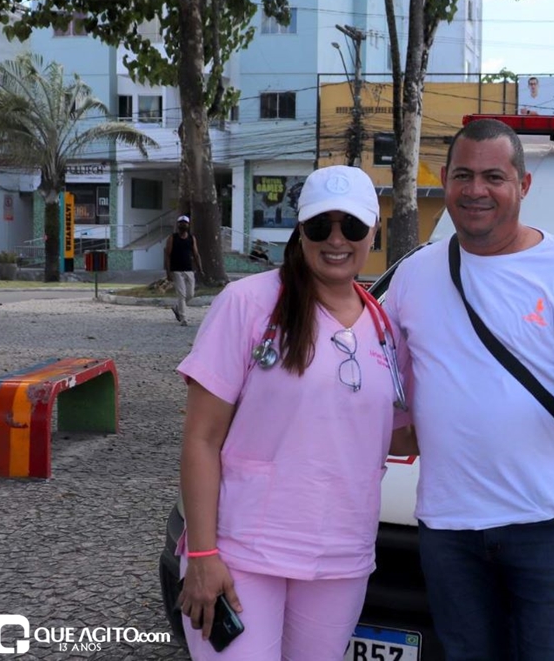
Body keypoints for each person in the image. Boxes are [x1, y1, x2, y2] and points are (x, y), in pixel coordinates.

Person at [384, 118, 554, 660]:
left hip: (548, 525)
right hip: (449, 529)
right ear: (443, 180)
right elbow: (372, 370)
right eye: (463, 175)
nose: (476, 191)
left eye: (494, 176)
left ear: (523, 185)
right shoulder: (415, 275)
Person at [175, 165, 416, 660]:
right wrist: (201, 553)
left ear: (373, 232)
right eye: (319, 225)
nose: (335, 239)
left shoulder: (385, 327)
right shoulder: (249, 303)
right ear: (299, 230)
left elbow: (392, 436)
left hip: (341, 557)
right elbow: (201, 439)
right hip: (241, 553)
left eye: (350, 227)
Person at [165, 216, 202, 326]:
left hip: (189, 270)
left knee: (190, 294)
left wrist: (200, 268)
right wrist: (168, 272)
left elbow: (196, 254)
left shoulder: (191, 238)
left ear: (188, 225)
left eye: (185, 223)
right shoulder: (172, 238)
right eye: (181, 223)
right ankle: (183, 318)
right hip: (176, 270)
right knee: (182, 295)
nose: (183, 225)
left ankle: (177, 308)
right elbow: (167, 255)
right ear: (177, 225)